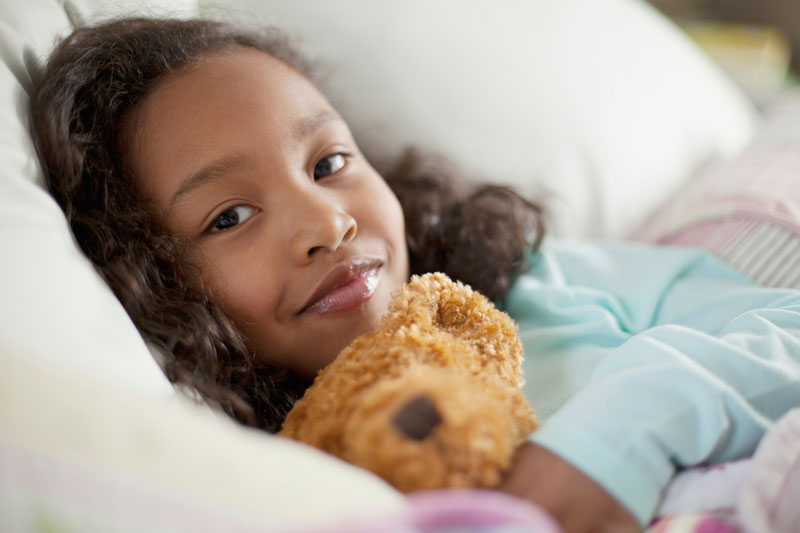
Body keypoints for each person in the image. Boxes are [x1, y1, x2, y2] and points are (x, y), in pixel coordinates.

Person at [30, 17, 800, 533]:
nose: (327, 223)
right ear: (151, 280)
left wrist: (624, 432)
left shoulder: (545, 286)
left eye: (330, 163)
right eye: (230, 216)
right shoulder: (261, 471)